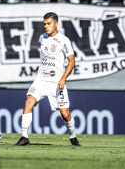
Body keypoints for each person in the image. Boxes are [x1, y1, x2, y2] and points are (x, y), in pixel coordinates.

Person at [15, 12, 81, 147]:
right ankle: (24, 137)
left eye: (49, 24)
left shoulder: (64, 40)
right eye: (44, 24)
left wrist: (63, 79)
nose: (46, 26)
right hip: (41, 79)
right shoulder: (43, 37)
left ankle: (73, 136)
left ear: (56, 24)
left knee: (65, 114)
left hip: (56, 82)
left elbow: (72, 61)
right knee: (28, 103)